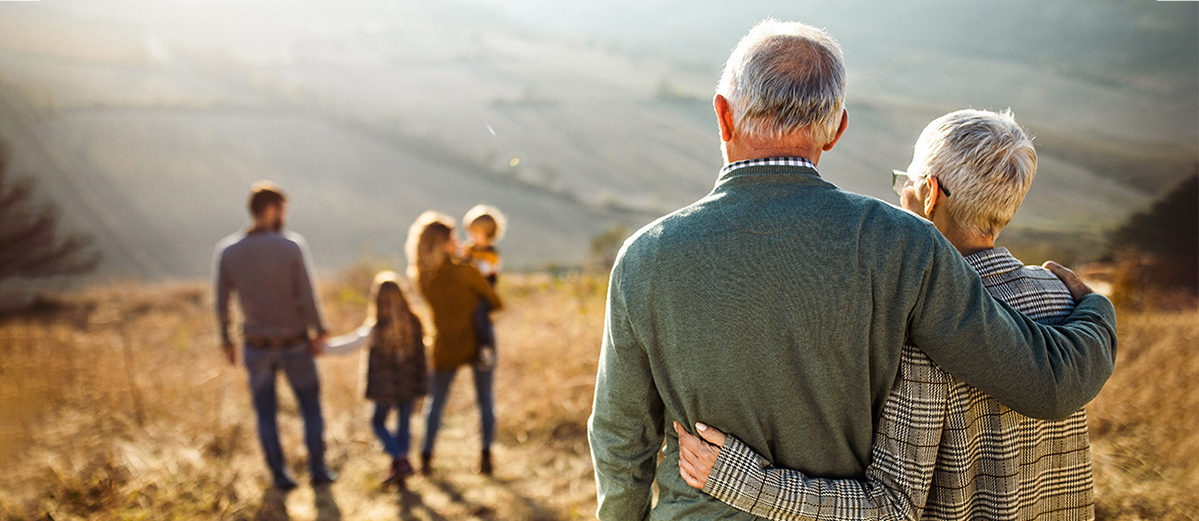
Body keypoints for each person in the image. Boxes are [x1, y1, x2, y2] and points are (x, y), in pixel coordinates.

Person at [587, 20, 1117, 520]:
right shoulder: (904, 243)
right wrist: (1093, 308)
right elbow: (1042, 381)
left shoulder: (645, 254)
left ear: (723, 115)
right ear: (836, 129)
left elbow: (620, 440)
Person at [677, 108, 1097, 520]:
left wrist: (741, 481)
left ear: (930, 194)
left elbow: (892, 507)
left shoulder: (920, 323)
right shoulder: (1061, 297)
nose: (900, 195)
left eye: (906, 183)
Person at [213, 181, 336, 491]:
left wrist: (226, 340)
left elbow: (221, 301)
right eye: (282, 210)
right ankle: (318, 471)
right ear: (271, 209)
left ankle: (280, 477)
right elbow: (306, 296)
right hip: (294, 342)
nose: (285, 217)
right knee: (310, 407)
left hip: (255, 346)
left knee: (265, 413)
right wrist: (319, 330)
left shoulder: (228, 251)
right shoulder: (290, 246)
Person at [406, 210, 503, 476]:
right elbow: (495, 301)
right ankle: (485, 456)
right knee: (485, 400)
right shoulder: (465, 272)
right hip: (479, 340)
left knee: (435, 402)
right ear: (444, 242)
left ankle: (425, 457)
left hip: (444, 343)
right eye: (453, 237)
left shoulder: (422, 278)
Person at [325, 271, 428, 489]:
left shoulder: (376, 327)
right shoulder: (414, 322)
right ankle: (400, 466)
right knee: (403, 425)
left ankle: (400, 460)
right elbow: (423, 356)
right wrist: (423, 382)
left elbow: (350, 344)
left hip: (385, 387)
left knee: (378, 422)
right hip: (409, 384)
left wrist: (322, 348)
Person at [461, 204, 507, 371]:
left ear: (488, 234)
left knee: (480, 316)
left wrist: (469, 260)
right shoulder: (470, 249)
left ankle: (486, 348)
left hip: (485, 294)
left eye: (476, 233)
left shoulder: (492, 254)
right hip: (471, 293)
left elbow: (485, 271)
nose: (472, 237)